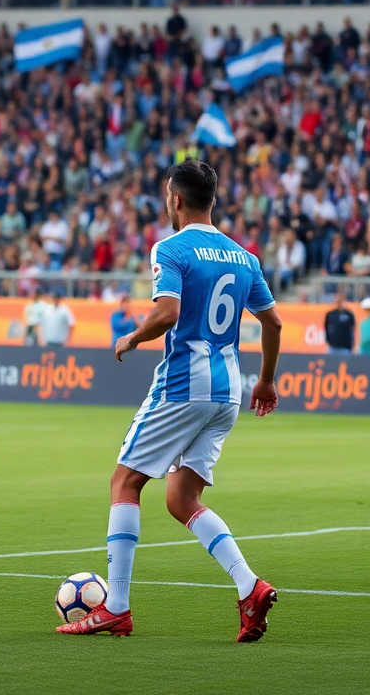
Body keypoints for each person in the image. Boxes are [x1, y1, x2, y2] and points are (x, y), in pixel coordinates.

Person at [57, 160, 282, 642]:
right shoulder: (245, 257)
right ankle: (249, 586)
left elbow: (168, 312)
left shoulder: (171, 248)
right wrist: (265, 381)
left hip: (183, 383)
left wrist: (134, 337)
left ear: (174, 198)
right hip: (228, 391)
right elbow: (274, 323)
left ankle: (115, 607)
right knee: (182, 498)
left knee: (125, 481)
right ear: (212, 200)